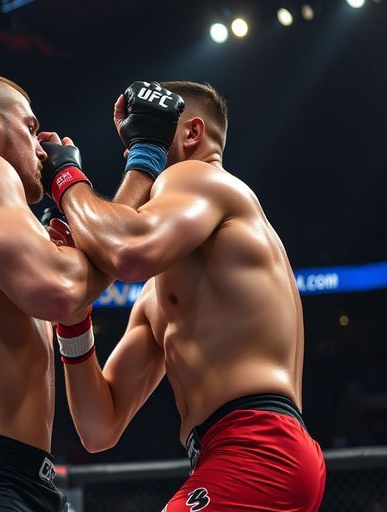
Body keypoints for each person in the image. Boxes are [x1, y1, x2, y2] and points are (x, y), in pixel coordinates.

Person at [0, 70, 182, 512]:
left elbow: (73, 288)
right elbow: (64, 290)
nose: (41, 146)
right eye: (30, 128)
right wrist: (135, 164)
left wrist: (80, 241)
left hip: (22, 480)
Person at [42, 81, 326, 511]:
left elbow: (126, 250)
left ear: (191, 133)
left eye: (148, 138)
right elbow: (99, 427)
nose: (135, 156)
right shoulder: (158, 293)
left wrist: (67, 179)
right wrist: (74, 318)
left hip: (257, 448)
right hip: (239, 454)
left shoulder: (202, 178)